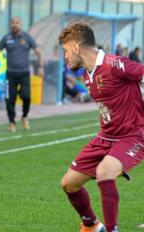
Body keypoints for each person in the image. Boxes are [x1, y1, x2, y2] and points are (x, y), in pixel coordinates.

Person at [58, 23, 144, 232]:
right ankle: (92, 225)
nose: (65, 56)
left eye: (66, 50)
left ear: (77, 47)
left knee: (104, 171)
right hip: (106, 137)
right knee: (69, 183)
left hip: (133, 135)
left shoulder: (114, 63)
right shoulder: (87, 73)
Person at [0, 16, 44, 132]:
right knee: (9, 98)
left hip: (24, 73)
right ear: (10, 24)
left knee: (26, 97)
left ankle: (24, 116)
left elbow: (39, 52)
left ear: (21, 24)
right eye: (13, 23)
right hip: (10, 74)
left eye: (17, 23)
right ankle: (11, 122)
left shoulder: (27, 37)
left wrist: (40, 67)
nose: (15, 25)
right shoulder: (6, 38)